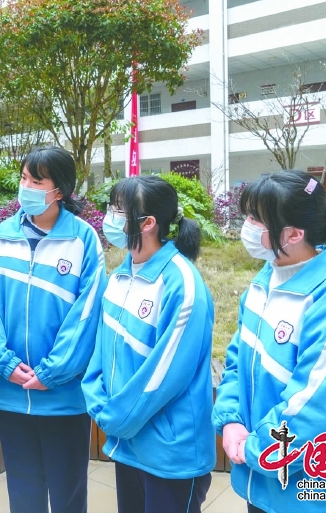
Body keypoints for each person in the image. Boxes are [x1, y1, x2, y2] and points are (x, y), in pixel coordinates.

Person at [212, 170, 326, 513]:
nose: (246, 226)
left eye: (255, 219)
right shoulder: (264, 282)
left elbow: (321, 406)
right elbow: (237, 361)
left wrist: (254, 447)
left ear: (292, 233)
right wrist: (230, 420)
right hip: (264, 482)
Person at [0, 146, 105, 513]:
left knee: (67, 495)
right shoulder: (2, 236)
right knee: (23, 492)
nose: (26, 187)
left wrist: (54, 372)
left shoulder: (82, 240)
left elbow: (87, 314)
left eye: (37, 180)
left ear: (60, 190)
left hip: (62, 399)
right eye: (23, 178)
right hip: (10, 392)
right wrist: (3, 363)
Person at [81, 176, 215, 513]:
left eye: (117, 210)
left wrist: (113, 417)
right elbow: (101, 352)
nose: (108, 218)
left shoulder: (182, 284)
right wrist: (98, 402)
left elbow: (166, 373)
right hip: (128, 442)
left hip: (169, 452)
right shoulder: (120, 276)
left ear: (148, 223)